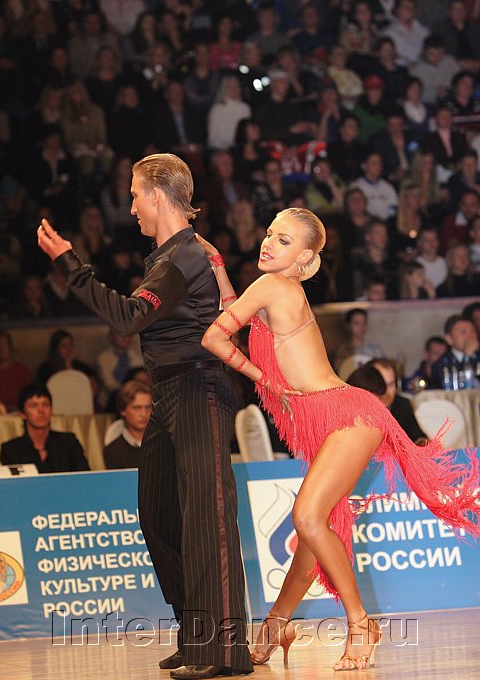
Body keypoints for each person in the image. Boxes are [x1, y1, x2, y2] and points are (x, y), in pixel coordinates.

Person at [197, 206, 479, 672]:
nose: (268, 243)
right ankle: (276, 624)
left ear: (304, 257)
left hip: (346, 416)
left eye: (283, 240)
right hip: (335, 419)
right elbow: (235, 309)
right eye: (269, 233)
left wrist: (262, 379)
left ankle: (360, 623)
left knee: (308, 517)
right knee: (312, 532)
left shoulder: (271, 286)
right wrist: (219, 266)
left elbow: (215, 336)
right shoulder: (274, 288)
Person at [37, 152, 252, 679]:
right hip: (169, 393)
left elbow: (129, 317)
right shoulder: (174, 255)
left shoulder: (184, 256)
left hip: (199, 389)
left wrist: (70, 264)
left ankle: (223, 650)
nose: (131, 207)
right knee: (158, 516)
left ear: (158, 194)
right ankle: (195, 634)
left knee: (207, 520)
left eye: (135, 195)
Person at [0, 383, 90, 473]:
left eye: (45, 405)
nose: (41, 410)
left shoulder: (69, 443)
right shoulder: (11, 450)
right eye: (34, 406)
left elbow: (85, 476)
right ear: (22, 414)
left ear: (51, 410)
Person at [103, 379, 152, 469]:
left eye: (148, 407)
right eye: (137, 408)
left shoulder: (163, 444)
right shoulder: (113, 451)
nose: (143, 414)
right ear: (123, 410)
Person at [430, 314, 480, 388]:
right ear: (449, 339)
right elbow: (455, 386)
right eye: (463, 332)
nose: (470, 336)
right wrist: (467, 357)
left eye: (472, 331)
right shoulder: (442, 364)